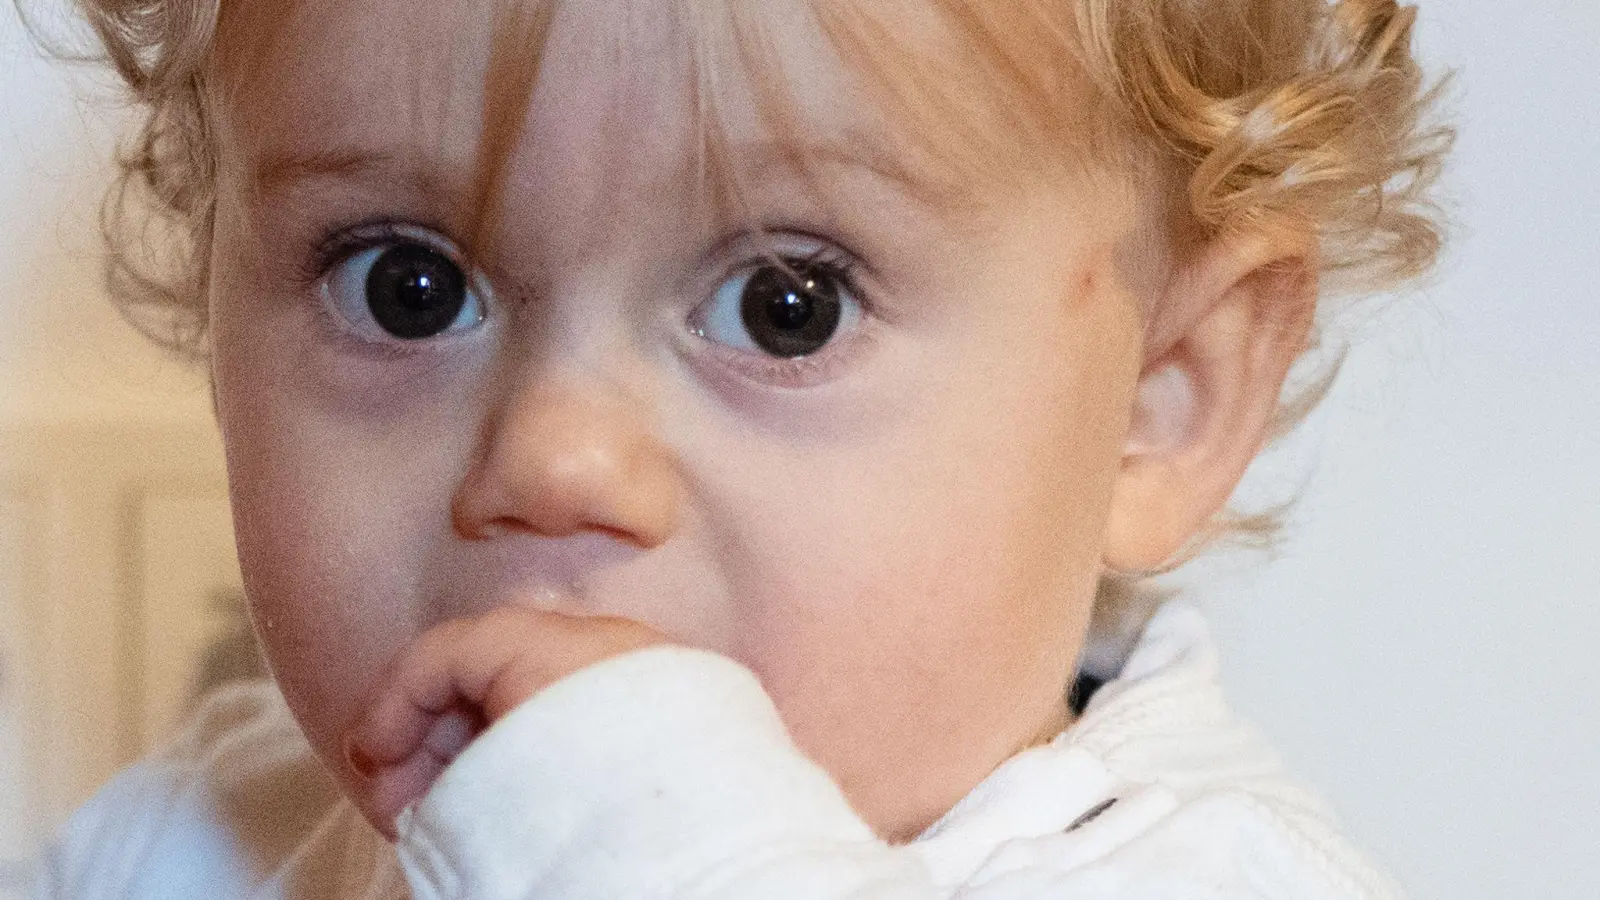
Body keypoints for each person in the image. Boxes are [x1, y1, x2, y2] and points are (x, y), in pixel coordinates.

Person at [36, 0, 1451, 896]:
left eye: (787, 308)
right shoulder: (205, 836)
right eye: (405, 285)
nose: (555, 460)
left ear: (1165, 397)